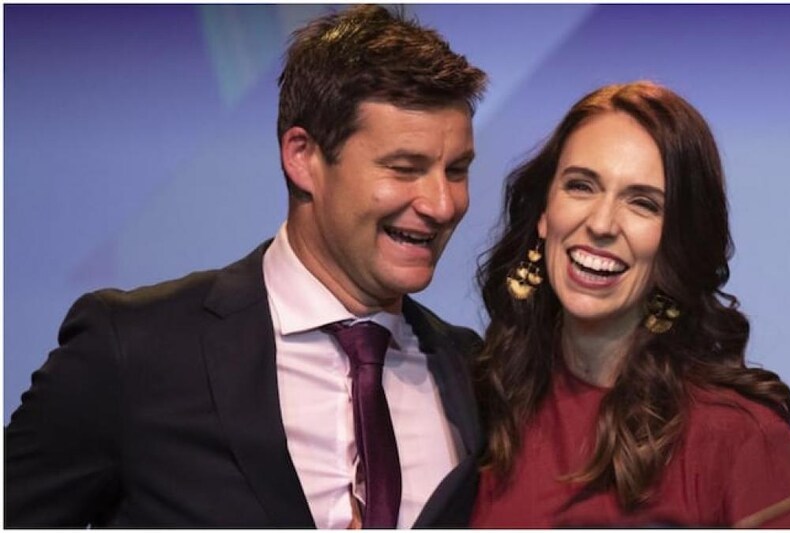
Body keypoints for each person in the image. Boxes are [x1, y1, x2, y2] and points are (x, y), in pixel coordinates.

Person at [5, 5, 487, 528]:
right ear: (302, 157)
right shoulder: (133, 350)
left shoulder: (476, 372)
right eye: (405, 169)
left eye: (456, 170)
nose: (443, 204)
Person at [470, 81, 790, 528]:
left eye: (642, 204)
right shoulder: (477, 403)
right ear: (543, 212)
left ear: (677, 242)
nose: (601, 223)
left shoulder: (741, 436)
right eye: (581, 186)